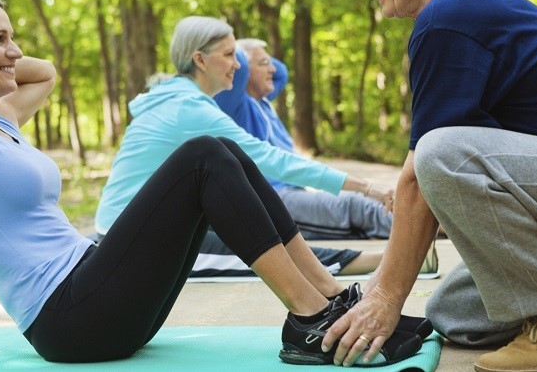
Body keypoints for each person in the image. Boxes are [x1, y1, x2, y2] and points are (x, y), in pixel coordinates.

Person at [0, 0, 425, 365]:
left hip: (95, 285)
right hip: (68, 319)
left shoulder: (5, 122)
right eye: (0, 39)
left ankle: (328, 302)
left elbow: (44, 72)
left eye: (11, 36)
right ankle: (309, 319)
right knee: (203, 154)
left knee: (222, 152)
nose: (15, 51)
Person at [320, 0, 537, 371]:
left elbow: (421, 178)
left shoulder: (448, 18)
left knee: (440, 152)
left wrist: (383, 296)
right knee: (451, 311)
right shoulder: (466, 5)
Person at [95, 16, 399, 278]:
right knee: (268, 257)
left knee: (254, 223)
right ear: (200, 60)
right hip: (132, 245)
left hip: (128, 229)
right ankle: (389, 263)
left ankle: (386, 261)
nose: (237, 65)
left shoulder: (176, 99)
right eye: (229, 55)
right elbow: (271, 160)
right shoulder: (189, 110)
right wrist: (366, 186)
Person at [214, 38, 393, 240]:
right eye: (264, 64)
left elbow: (282, 71)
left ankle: (422, 223)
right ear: (242, 70)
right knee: (355, 205)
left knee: (362, 203)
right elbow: (241, 62)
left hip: (292, 191)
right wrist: (238, 47)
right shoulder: (234, 105)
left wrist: (259, 55)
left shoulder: (262, 101)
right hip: (271, 198)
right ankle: (420, 229)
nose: (272, 69)